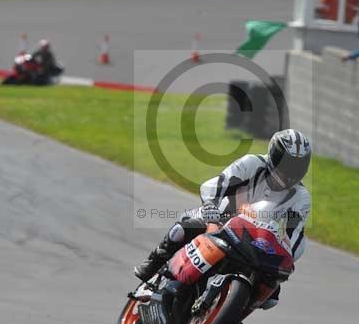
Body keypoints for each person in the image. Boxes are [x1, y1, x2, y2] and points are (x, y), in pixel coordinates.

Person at [133, 129, 312, 309]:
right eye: (287, 164)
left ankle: (229, 310)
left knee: (271, 298)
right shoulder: (252, 164)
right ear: (274, 156)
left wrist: (285, 261)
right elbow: (216, 184)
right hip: (221, 219)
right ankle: (152, 268)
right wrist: (211, 212)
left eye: (297, 166)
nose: (290, 172)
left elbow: (294, 236)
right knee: (184, 228)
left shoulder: (300, 197)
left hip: (256, 242)